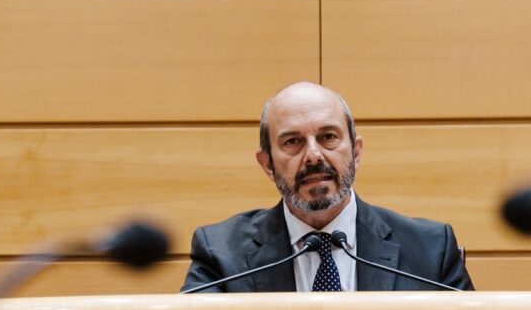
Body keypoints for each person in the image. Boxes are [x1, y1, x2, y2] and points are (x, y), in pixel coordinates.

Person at [181, 81, 474, 293]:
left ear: (356, 152)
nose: (313, 155)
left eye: (328, 137)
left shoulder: (430, 249)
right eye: (292, 141)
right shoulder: (220, 254)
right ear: (267, 163)